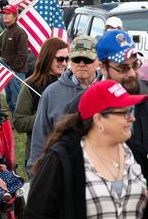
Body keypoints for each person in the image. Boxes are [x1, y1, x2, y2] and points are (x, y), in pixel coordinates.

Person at [23, 79, 148, 219]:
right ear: (99, 119)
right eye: (124, 112)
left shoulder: (137, 154)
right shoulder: (64, 159)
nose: (132, 118)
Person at [27, 35, 101, 173]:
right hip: (62, 172)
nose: (81, 63)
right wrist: (35, 174)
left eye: (87, 59)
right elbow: (40, 137)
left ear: (98, 62)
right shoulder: (51, 93)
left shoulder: (109, 90)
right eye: (76, 59)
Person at [13, 37, 69, 166]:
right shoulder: (31, 85)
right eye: (60, 59)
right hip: (40, 157)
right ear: (48, 58)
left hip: (66, 155)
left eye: (67, 59)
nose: (64, 63)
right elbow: (19, 122)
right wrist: (44, 114)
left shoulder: (71, 83)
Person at [0, 4, 28, 114]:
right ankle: (14, 122)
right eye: (3, 14)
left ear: (15, 16)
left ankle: (18, 122)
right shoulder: (6, 31)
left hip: (17, 72)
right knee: (9, 99)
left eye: (8, 14)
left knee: (16, 101)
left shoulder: (19, 32)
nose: (5, 16)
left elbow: (22, 54)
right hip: (7, 71)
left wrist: (14, 69)